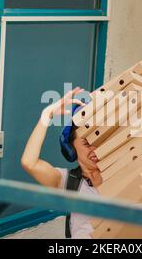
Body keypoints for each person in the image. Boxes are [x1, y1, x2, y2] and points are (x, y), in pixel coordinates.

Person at [21, 87, 102, 239]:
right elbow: (29, 163)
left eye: (98, 140)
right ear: (71, 146)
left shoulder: (121, 171)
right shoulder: (68, 181)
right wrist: (47, 115)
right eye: (86, 143)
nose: (94, 148)